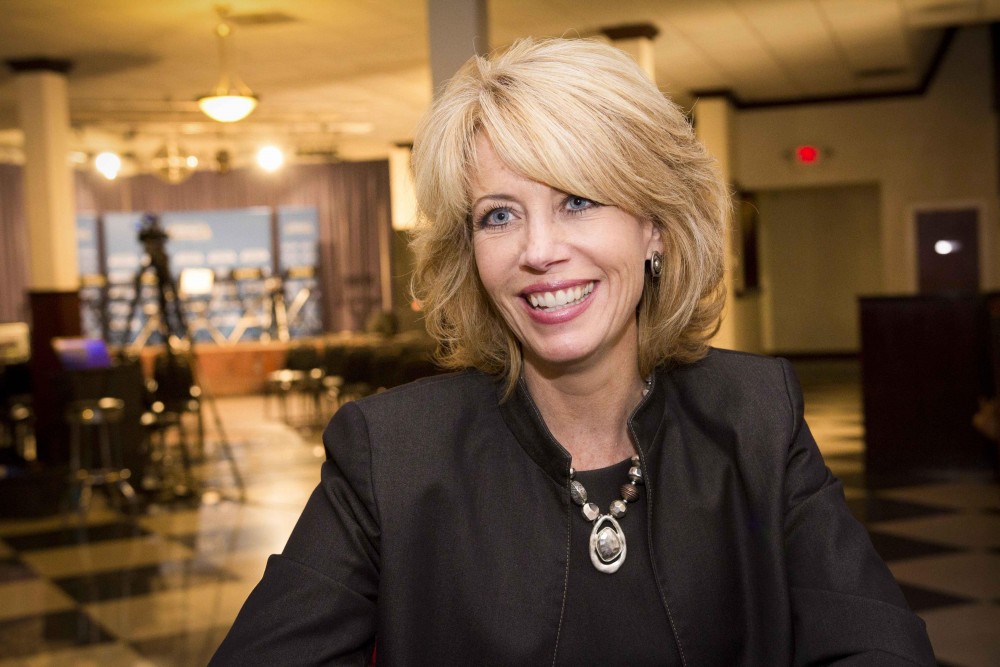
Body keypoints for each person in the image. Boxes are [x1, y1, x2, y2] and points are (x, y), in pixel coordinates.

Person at [212, 38, 935, 665]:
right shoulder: (391, 453)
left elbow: (878, 644)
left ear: (655, 225)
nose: (539, 250)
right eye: (500, 215)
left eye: (578, 201)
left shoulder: (756, 417)